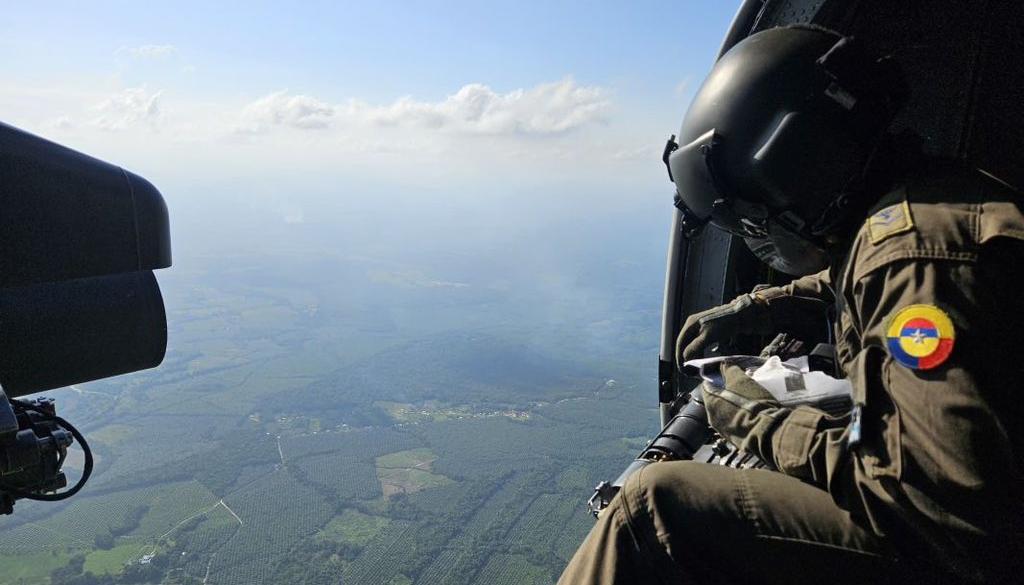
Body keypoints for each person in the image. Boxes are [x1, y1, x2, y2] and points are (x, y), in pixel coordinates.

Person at [559, 25, 1024, 584]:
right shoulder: (929, 202)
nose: (755, 238)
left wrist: (747, 414)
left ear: (802, 169)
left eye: (755, 219)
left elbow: (938, 506)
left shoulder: (914, 262)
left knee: (649, 507)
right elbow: (853, 281)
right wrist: (759, 306)